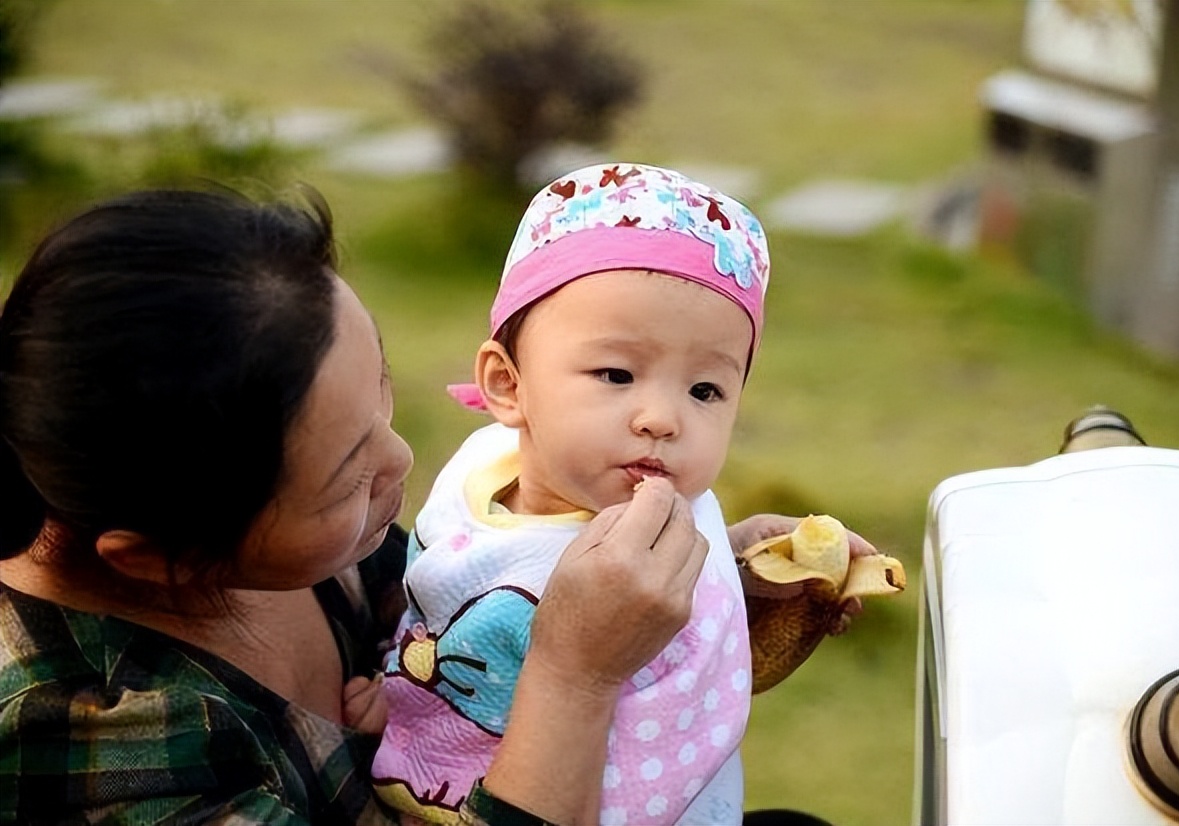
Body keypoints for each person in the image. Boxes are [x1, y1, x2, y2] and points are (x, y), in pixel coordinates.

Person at [0, 188, 716, 826]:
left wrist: (705, 591)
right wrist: (574, 678)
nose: (400, 458)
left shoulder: (293, 539)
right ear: (158, 558)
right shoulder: (89, 747)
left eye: (381, 384)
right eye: (346, 479)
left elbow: (474, 628)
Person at [371, 163, 870, 826]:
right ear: (507, 385)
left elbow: (687, 666)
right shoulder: (504, 509)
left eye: (705, 391)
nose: (662, 418)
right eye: (616, 373)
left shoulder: (614, 505)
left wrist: (735, 562)